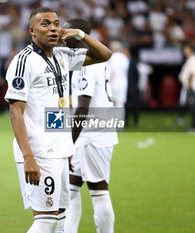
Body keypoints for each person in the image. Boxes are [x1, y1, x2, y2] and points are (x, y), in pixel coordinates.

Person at [4, 7, 112, 233]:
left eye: (56, 23)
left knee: (61, 220)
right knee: (46, 220)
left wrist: (80, 35)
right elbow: (16, 112)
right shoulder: (23, 61)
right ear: (32, 31)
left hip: (59, 150)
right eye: (45, 24)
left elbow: (105, 55)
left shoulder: (62, 57)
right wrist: (28, 157)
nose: (53, 28)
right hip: (39, 151)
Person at [62, 19, 118, 233]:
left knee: (99, 189)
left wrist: (69, 143)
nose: (63, 39)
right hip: (90, 133)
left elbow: (83, 108)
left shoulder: (89, 64)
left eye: (67, 33)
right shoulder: (86, 60)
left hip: (93, 134)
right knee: (71, 187)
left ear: (78, 35)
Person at [178, 43, 195, 132]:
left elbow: (193, 73)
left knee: (193, 106)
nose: (184, 51)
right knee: (191, 106)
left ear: (191, 49)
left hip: (191, 87)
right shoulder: (190, 59)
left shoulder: (193, 59)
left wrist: (190, 85)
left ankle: (194, 126)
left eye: (186, 49)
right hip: (189, 87)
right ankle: (193, 125)